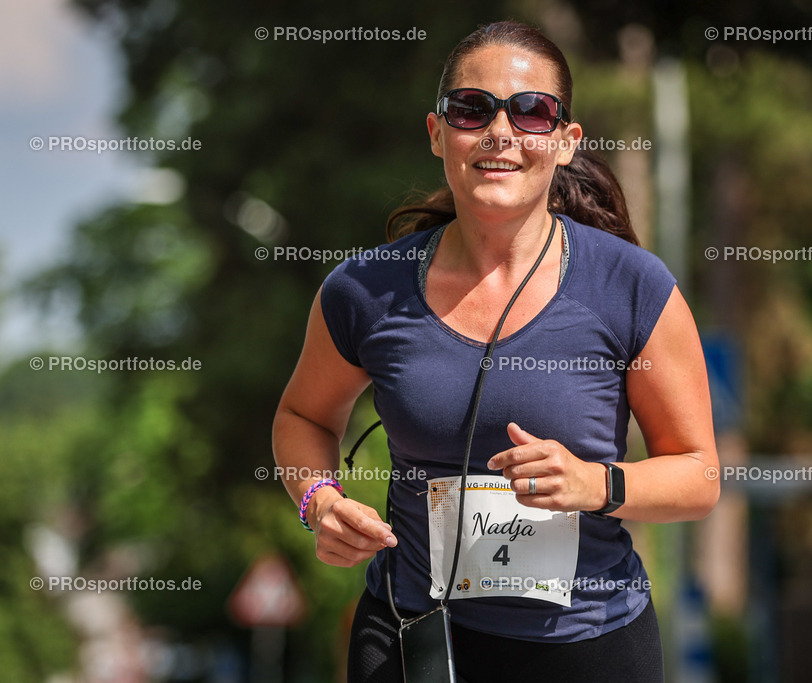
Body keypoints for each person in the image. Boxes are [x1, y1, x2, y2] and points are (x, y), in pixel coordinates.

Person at [272, 20, 719, 683]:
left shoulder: (633, 286)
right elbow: (301, 419)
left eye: (532, 111)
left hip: (588, 645)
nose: (501, 132)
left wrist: (596, 483)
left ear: (566, 143)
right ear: (436, 133)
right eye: (472, 109)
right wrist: (320, 502)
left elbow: (699, 475)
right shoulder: (364, 291)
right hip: (416, 635)